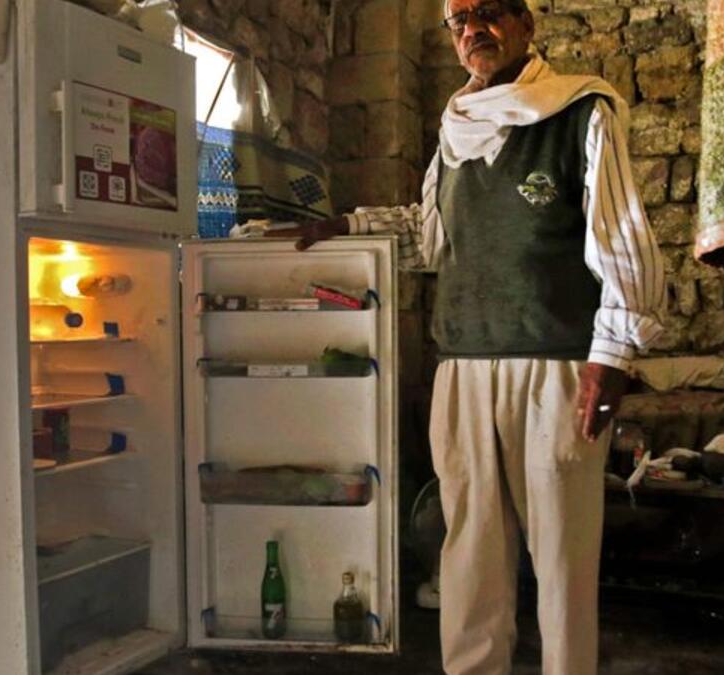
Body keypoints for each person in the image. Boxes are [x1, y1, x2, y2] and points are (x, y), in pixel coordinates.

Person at [270, 1, 665, 673]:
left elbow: (622, 240)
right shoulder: (455, 134)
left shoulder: (579, 113)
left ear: (526, 24)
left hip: (557, 368)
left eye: (489, 12)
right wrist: (343, 226)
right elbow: (431, 236)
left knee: (563, 556)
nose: (473, 29)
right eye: (459, 20)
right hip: (462, 368)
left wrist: (613, 356)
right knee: (470, 551)